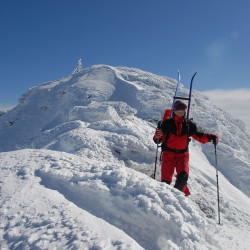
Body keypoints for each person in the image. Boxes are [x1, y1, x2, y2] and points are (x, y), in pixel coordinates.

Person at [153, 100, 218, 196]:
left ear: (185, 111)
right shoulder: (166, 123)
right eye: (178, 109)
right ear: (174, 110)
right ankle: (167, 199)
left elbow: (199, 136)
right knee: (165, 182)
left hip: (182, 156)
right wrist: (156, 136)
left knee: (183, 178)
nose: (180, 111)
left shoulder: (189, 125)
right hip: (168, 155)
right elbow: (158, 140)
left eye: (182, 109)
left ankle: (175, 197)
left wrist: (210, 137)